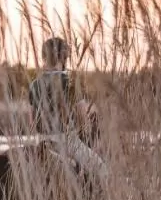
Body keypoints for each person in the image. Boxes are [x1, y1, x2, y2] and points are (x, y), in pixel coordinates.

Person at [28, 36, 109, 180]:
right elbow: (84, 116)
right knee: (102, 170)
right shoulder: (71, 81)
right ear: (64, 58)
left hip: (42, 141)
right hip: (68, 142)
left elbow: (32, 121)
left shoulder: (34, 84)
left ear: (44, 57)